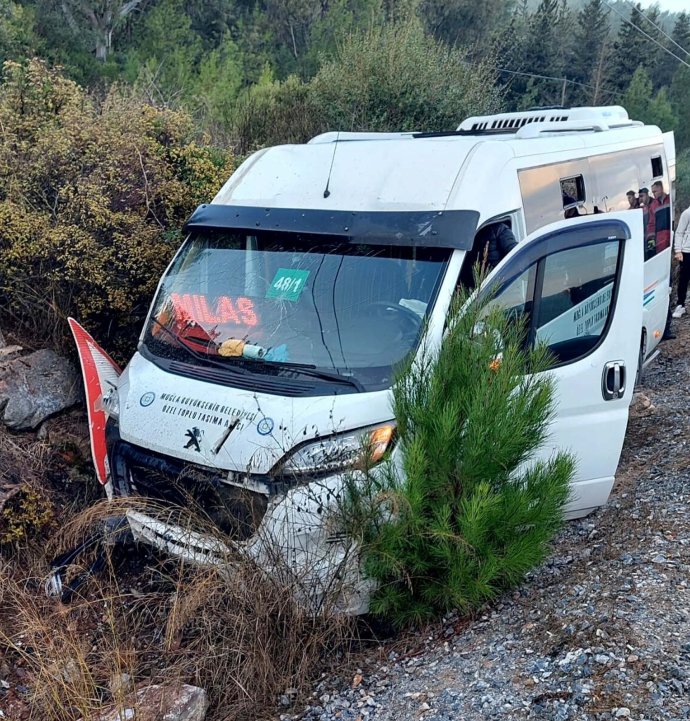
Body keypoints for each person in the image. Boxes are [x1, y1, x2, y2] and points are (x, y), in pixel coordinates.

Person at [460, 222, 517, 289]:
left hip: (498, 286)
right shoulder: (464, 233)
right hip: (472, 287)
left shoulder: (499, 229)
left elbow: (516, 256)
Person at [672, 204, 690, 319]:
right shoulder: (687, 213)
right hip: (687, 252)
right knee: (684, 279)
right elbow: (679, 233)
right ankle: (680, 305)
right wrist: (678, 250)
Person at [648, 180, 671, 253]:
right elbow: (651, 224)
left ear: (661, 188)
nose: (653, 194)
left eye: (655, 191)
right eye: (652, 192)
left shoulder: (670, 200)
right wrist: (651, 241)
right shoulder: (653, 206)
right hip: (660, 240)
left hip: (670, 234)